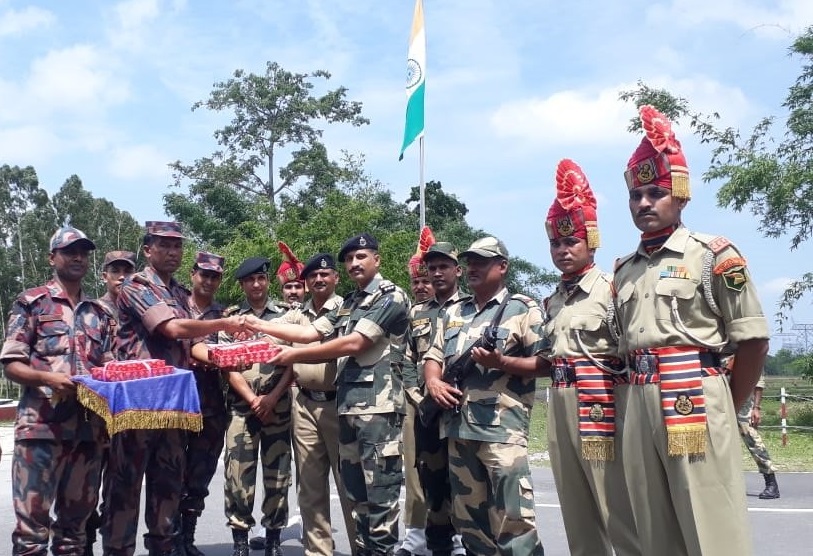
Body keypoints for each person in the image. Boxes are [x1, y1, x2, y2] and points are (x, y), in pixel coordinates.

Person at [613, 105, 770, 555]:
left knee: (710, 525)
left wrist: (727, 402)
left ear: (680, 196)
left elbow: (753, 338)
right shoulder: (624, 270)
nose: (644, 203)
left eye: (655, 193)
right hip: (639, 403)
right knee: (652, 526)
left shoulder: (712, 255)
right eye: (636, 195)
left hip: (696, 398)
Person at [245, 233, 410, 556]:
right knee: (358, 497)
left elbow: (354, 343)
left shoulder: (391, 297)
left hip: (379, 410)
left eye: (361, 257)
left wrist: (290, 356)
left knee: (380, 501)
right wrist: (257, 325)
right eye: (349, 259)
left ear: (377, 259)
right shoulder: (351, 302)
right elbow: (308, 332)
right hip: (348, 409)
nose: (354, 264)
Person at [101, 221, 244, 556]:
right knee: (124, 494)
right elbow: (172, 327)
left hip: (173, 411)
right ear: (148, 250)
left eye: (177, 245)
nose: (171, 251)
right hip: (138, 408)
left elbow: (194, 345)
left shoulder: (180, 294)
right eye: (163, 245)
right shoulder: (136, 286)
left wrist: (230, 358)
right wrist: (224, 323)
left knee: (167, 494)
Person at [422, 236, 546, 555]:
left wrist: (501, 362)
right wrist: (434, 383)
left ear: (502, 267)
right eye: (470, 262)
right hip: (458, 430)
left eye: (481, 261)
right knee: (470, 524)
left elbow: (547, 363)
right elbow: (434, 357)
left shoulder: (522, 308)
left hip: (501, 433)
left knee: (514, 522)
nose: (472, 267)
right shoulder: (455, 311)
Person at [541, 159, 639, 556]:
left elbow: (632, 352)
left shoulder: (612, 288)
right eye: (556, 244)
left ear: (591, 241)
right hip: (560, 402)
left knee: (614, 504)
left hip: (602, 405)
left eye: (572, 242)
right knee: (575, 506)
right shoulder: (552, 300)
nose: (563, 251)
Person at [1, 226, 115, 556]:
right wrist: (51, 380)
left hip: (87, 434)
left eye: (83, 252)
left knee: (74, 531)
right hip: (41, 432)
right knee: (31, 532)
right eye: (70, 251)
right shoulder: (33, 303)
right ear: (53, 258)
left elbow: (108, 368)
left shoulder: (99, 314)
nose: (78, 257)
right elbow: (11, 363)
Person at [278, 253, 358, 556]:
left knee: (350, 487)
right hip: (304, 404)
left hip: (339, 405)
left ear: (336, 278)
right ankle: (317, 551)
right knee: (310, 488)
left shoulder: (349, 309)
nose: (319, 280)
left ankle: (359, 549)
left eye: (325, 275)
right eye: (312, 276)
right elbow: (269, 334)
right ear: (305, 282)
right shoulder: (297, 314)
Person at [221, 256, 293, 556]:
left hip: (277, 406)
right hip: (242, 408)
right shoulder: (232, 317)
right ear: (242, 284)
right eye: (249, 280)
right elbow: (227, 365)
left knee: (278, 475)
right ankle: (240, 539)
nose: (256, 284)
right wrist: (252, 399)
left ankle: (274, 538)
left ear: (267, 280)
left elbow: (293, 360)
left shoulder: (287, 316)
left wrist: (273, 397)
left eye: (261, 278)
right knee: (237, 475)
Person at [407, 240, 470, 556]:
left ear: (457, 270)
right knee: (431, 480)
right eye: (432, 268)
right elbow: (404, 360)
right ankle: (438, 544)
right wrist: (418, 397)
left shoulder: (472, 308)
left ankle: (465, 540)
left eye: (443, 266)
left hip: (462, 409)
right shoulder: (417, 313)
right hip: (426, 410)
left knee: (466, 478)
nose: (436, 273)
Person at [86, 249, 137, 556]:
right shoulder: (91, 311)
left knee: (121, 494)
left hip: (130, 418)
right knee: (86, 493)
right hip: (96, 417)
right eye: (115, 270)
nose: (121, 276)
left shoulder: (139, 311)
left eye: (127, 271)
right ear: (104, 275)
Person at [179, 252, 229, 556]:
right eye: (204, 274)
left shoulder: (222, 313)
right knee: (171, 473)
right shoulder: (175, 306)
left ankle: (187, 537)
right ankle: (168, 537)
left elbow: (229, 353)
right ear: (192, 273)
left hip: (210, 405)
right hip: (176, 405)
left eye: (214, 276)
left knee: (200, 475)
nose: (208, 280)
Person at [397, 226, 435, 556]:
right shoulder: (410, 315)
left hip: (450, 401)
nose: (422, 286)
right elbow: (405, 357)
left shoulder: (459, 309)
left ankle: (451, 534)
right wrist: (415, 393)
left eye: (427, 280)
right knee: (414, 468)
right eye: (417, 281)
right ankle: (414, 534)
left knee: (452, 469)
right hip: (415, 401)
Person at [738, 370, 780, 499]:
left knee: (753, 440)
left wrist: (756, 407)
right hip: (720, 398)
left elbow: (758, 381)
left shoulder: (746, 349)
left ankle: (771, 483)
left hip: (742, 401)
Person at [97, 250, 137, 318]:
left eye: (128, 271)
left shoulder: (141, 309)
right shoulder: (96, 310)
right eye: (115, 271)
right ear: (105, 277)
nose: (122, 277)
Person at [277, 241, 306, 306]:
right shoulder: (272, 316)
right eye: (288, 287)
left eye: (298, 287)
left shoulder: (316, 315)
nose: (293, 291)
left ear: (305, 291)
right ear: (281, 292)